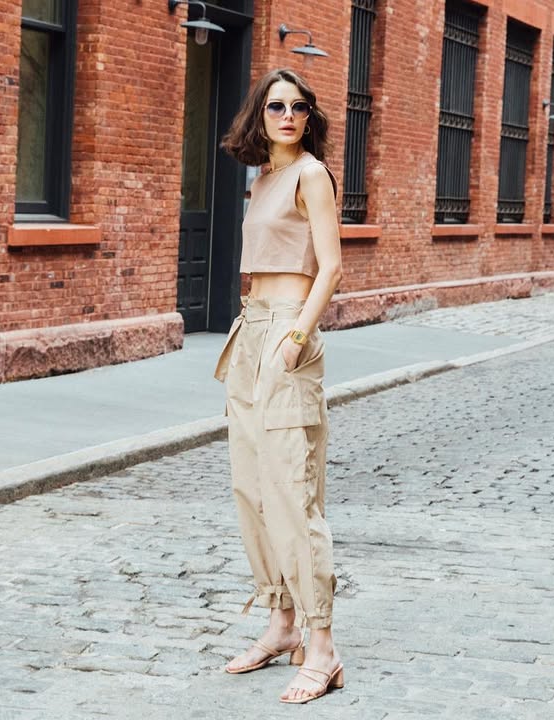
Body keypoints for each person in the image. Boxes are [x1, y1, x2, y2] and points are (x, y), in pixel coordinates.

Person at [215, 68, 344, 704]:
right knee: (252, 489)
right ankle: (281, 623)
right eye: (275, 106)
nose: (287, 115)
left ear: (308, 116)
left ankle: (322, 645)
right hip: (251, 330)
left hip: (287, 335)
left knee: (293, 493)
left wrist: (297, 337)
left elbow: (332, 263)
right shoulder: (262, 179)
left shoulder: (311, 174)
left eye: (298, 106)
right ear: (259, 116)